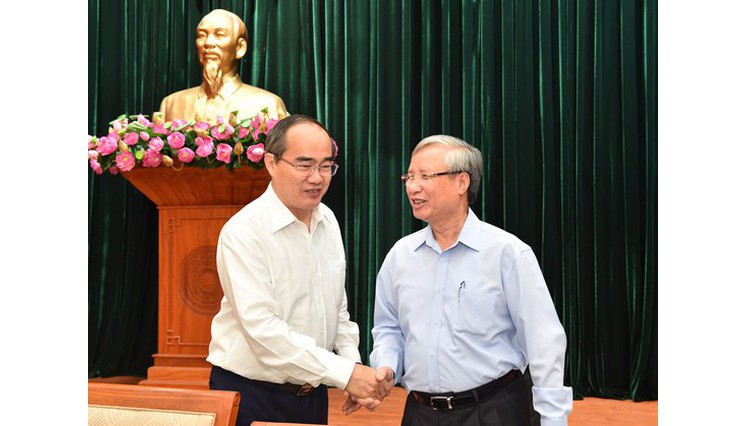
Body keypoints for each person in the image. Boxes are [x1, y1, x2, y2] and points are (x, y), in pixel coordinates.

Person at [368, 135, 573, 425]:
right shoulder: (401, 256)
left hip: (493, 410)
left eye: (425, 176)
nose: (413, 187)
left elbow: (544, 342)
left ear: (461, 182)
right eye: (409, 177)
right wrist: (387, 365)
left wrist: (553, 419)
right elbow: (389, 327)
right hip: (419, 412)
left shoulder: (507, 253)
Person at [207, 114, 392, 426]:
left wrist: (351, 366)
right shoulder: (244, 232)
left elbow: (337, 309)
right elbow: (263, 330)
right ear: (270, 163)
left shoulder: (327, 220)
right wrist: (345, 374)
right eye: (304, 165)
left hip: (311, 394)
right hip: (252, 394)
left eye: (326, 166)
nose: (317, 178)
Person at [159, 9, 288, 124]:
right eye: (202, 35)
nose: (208, 43)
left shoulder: (268, 105)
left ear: (240, 47)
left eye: (220, 35)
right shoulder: (171, 104)